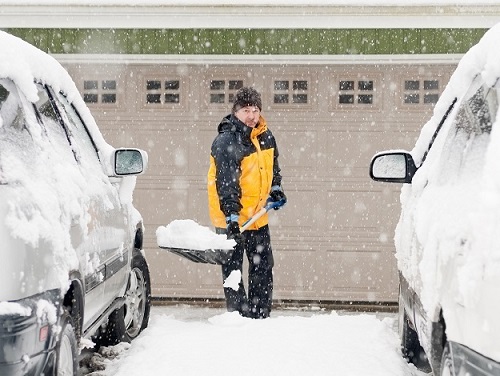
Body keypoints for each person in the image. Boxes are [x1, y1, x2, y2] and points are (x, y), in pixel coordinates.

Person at [207, 86, 286, 319]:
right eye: (246, 110)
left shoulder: (266, 136)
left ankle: (260, 316)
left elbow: (274, 169)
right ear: (235, 112)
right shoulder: (226, 141)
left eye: (255, 110)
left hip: (258, 216)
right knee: (233, 273)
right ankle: (238, 320)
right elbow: (226, 184)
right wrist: (231, 218)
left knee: (263, 267)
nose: (252, 116)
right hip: (230, 218)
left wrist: (276, 189)